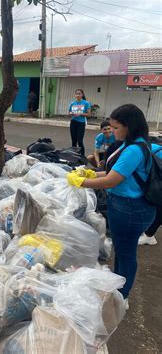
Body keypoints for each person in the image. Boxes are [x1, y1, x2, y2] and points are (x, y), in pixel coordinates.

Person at [66, 104, 156, 304]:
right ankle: (117, 286)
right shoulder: (130, 143)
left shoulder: (134, 149)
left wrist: (82, 182)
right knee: (122, 250)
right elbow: (113, 173)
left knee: (126, 252)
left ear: (129, 126)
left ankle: (121, 296)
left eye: (116, 128)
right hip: (124, 206)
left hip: (130, 209)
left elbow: (111, 181)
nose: (113, 131)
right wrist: (90, 173)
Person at [68, 89, 91, 156]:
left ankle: (82, 156)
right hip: (73, 122)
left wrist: (80, 114)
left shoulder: (86, 103)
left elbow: (89, 114)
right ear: (75, 95)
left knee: (80, 141)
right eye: (76, 94)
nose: (78, 95)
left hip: (81, 123)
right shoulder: (72, 103)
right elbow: (69, 114)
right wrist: (71, 113)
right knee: (73, 141)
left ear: (82, 95)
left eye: (79, 94)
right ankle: (74, 156)